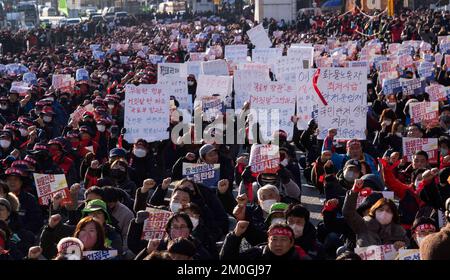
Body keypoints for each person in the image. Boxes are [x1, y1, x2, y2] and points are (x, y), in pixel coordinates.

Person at [343, 179, 409, 249]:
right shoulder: (363, 224)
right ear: (374, 211)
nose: (384, 213)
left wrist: (403, 245)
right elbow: (348, 212)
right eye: (381, 210)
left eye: (388, 211)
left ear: (393, 215)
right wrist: (354, 191)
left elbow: (408, 249)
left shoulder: (399, 232)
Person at [220, 222, 311, 260]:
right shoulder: (255, 254)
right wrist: (235, 236)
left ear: (291, 243)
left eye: (283, 239)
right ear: (268, 240)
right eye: (274, 239)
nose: (278, 244)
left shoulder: (302, 257)